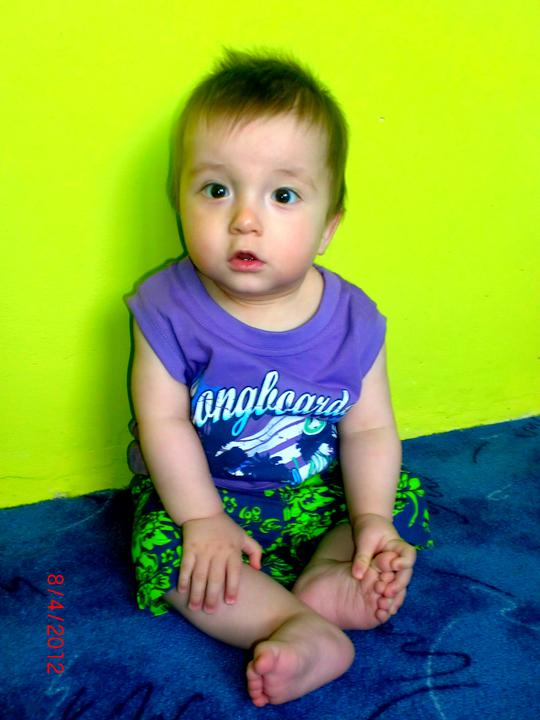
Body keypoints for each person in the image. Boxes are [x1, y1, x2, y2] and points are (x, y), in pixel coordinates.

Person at [125, 49, 432, 707]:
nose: (244, 218)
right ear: (179, 199)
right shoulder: (166, 308)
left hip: (315, 495)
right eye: (216, 190)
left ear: (327, 228)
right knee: (162, 545)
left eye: (283, 195)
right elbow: (162, 421)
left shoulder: (354, 320)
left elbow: (369, 429)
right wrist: (202, 518)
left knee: (399, 500)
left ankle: (331, 576)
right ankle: (294, 626)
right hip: (209, 498)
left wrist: (370, 518)